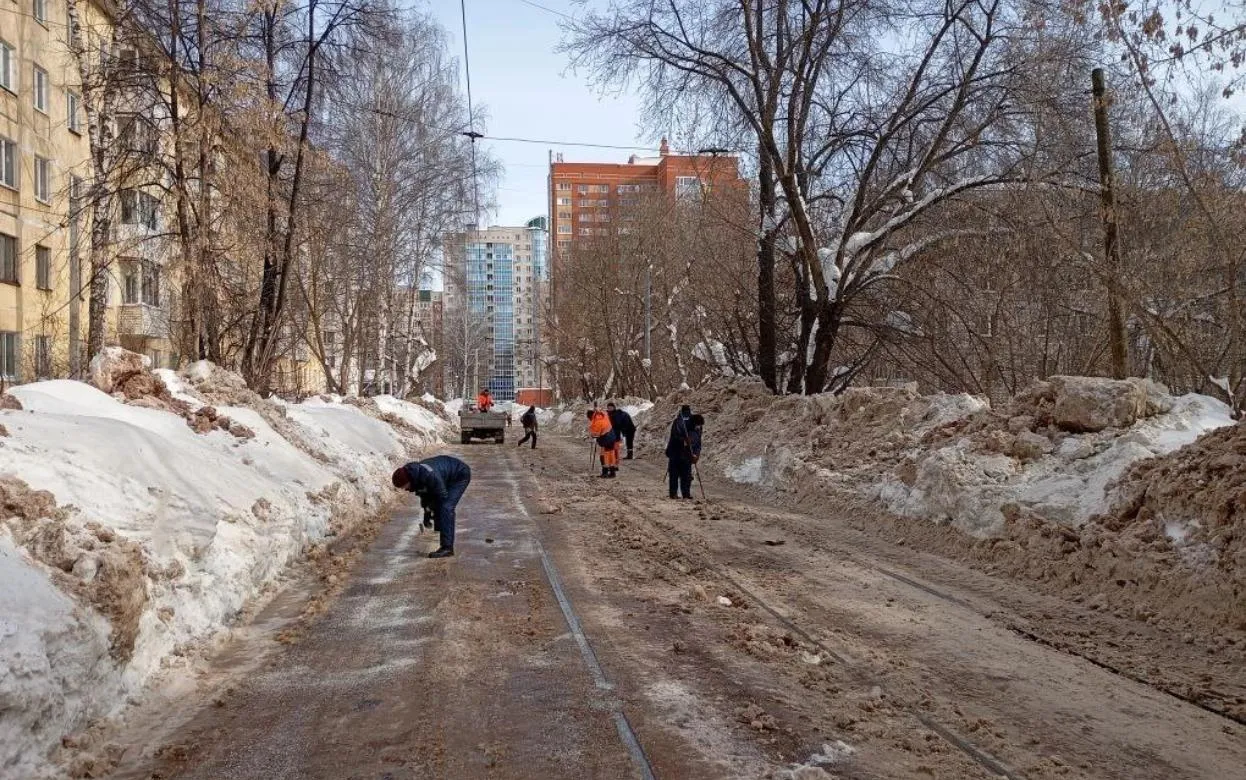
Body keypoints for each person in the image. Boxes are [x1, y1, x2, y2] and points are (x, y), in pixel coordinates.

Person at [391, 455, 472, 558]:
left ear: (408, 481)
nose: (405, 489)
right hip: (445, 475)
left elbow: (441, 496)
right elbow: (425, 496)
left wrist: (434, 512)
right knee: (439, 505)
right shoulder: (417, 475)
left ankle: (447, 548)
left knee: (446, 507)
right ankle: (441, 530)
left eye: (404, 486)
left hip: (459, 474)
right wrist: (427, 513)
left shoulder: (429, 475)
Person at [665, 405, 702, 499]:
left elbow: (697, 442)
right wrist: (684, 441)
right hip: (676, 451)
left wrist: (696, 454)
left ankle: (678, 494)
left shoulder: (695, 425)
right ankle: (681, 494)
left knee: (679, 473)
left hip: (683, 453)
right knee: (681, 473)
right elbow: (675, 437)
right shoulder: (679, 423)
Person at [587, 407, 620, 478]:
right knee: (611, 454)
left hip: (606, 439)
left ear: (590, 417)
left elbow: (595, 434)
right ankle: (612, 472)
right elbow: (604, 412)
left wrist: (592, 435)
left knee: (603, 455)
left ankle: (605, 472)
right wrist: (598, 410)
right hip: (612, 436)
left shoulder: (596, 422)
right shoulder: (603, 415)